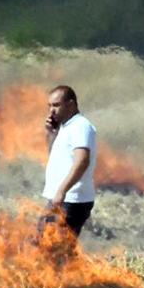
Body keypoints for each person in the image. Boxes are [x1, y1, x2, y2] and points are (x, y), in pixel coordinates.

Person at [41, 84, 97, 238]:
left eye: (56, 105)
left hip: (71, 200)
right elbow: (55, 157)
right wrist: (51, 134)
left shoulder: (80, 126)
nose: (51, 110)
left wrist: (62, 191)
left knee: (53, 247)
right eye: (49, 106)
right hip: (61, 199)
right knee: (43, 243)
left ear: (70, 104)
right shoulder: (66, 127)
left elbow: (82, 161)